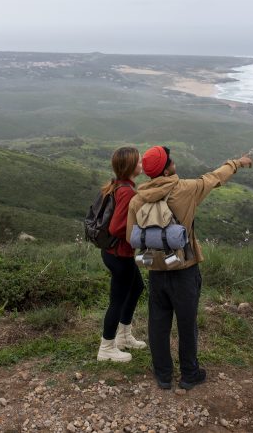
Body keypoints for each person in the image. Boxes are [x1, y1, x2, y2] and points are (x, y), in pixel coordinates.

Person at [126, 146, 253, 389]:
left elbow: (130, 236)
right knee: (187, 323)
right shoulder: (187, 189)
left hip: (156, 270)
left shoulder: (137, 199)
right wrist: (237, 163)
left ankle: (163, 375)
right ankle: (189, 374)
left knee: (158, 324)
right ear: (167, 168)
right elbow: (216, 177)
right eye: (171, 161)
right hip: (184, 269)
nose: (174, 163)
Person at [97, 146, 148, 362]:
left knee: (137, 287)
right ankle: (106, 348)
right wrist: (142, 230)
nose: (141, 164)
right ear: (128, 166)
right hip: (120, 255)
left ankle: (124, 336)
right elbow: (117, 227)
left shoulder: (118, 185)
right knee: (117, 300)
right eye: (138, 162)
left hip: (113, 252)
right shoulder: (126, 191)